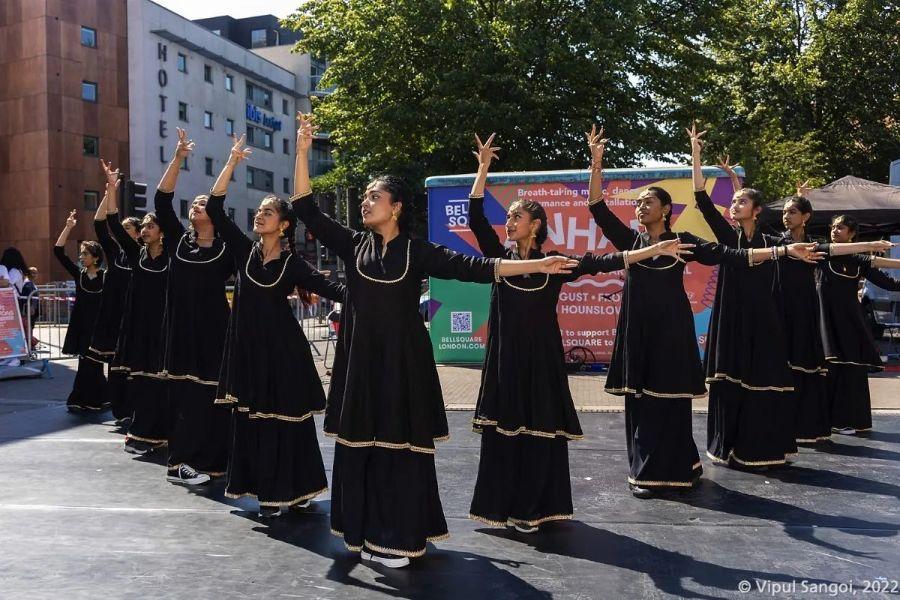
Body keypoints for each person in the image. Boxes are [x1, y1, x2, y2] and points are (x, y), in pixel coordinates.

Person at [292, 114, 579, 568]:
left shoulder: (418, 251)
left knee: (399, 450)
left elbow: (478, 268)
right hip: (360, 366)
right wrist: (303, 151)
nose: (365, 201)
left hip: (403, 367)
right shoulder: (353, 245)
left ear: (397, 207)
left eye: (374, 196)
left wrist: (537, 266)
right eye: (364, 196)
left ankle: (398, 536)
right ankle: (363, 530)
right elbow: (305, 207)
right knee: (361, 448)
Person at [466, 132, 695, 521]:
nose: (509, 222)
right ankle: (500, 506)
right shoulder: (500, 261)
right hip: (505, 362)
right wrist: (483, 169)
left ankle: (537, 509)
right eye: (509, 216)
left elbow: (604, 262)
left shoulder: (555, 263)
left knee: (540, 433)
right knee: (503, 432)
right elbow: (476, 219)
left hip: (542, 363)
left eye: (517, 216)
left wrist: (653, 249)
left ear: (535, 226)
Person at [588, 126, 818, 496]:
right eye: (638, 202)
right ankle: (645, 471)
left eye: (648, 202)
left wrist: (784, 250)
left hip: (673, 333)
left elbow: (732, 255)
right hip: (638, 332)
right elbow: (598, 208)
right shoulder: (631, 243)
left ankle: (680, 468)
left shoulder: (683, 242)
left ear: (666, 210)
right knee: (642, 402)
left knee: (671, 401)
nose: (641, 206)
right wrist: (596, 164)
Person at [207, 134, 345, 516]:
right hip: (248, 353)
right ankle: (267, 489)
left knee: (286, 423)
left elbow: (332, 289)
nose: (259, 215)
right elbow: (216, 208)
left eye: (268, 212)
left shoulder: (293, 264)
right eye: (259, 211)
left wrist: (375, 292)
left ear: (283, 226)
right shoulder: (243, 252)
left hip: (284, 355)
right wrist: (232, 162)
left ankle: (292, 490)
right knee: (254, 423)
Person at [688, 124, 822, 469]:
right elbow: (701, 198)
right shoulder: (727, 237)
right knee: (729, 382)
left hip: (763, 320)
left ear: (757, 210)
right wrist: (696, 154)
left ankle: (760, 446)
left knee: (763, 381)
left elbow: (821, 249)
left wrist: (872, 246)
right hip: (731, 320)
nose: (734, 205)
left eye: (741, 201)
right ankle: (726, 446)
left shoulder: (772, 242)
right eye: (734, 201)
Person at [154, 129, 235, 485]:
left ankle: (214, 460)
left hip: (216, 331)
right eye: (195, 204)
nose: (196, 206)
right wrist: (177, 159)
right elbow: (162, 200)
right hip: (181, 332)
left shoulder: (227, 249)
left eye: (204, 204)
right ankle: (179, 464)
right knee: (184, 397)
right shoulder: (177, 242)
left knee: (213, 397)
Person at [106, 162, 171, 455]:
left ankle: (164, 432)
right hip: (140, 328)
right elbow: (111, 224)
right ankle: (143, 431)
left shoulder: (174, 257)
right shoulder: (137, 255)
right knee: (142, 381)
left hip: (166, 327)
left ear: (162, 231)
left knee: (162, 382)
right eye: (142, 226)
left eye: (150, 226)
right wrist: (111, 190)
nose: (144, 230)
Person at [819, 215, 900, 434]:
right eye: (833, 227)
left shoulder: (858, 261)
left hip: (851, 323)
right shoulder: (822, 253)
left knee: (852, 371)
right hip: (825, 321)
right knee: (830, 370)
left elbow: (889, 283)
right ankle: (828, 421)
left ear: (852, 233)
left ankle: (852, 420)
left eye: (841, 227)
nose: (835, 231)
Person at [91, 164, 142, 426]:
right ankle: (119, 409)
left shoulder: (141, 255)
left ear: (138, 234)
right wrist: (109, 192)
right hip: (113, 314)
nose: (121, 231)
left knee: (132, 365)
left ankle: (134, 408)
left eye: (127, 229)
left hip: (134, 315)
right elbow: (100, 225)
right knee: (113, 363)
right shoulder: (114, 253)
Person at [53, 210, 107, 412]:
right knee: (85, 362)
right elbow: (59, 252)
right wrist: (68, 227)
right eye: (81, 253)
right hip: (81, 326)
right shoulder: (79, 274)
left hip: (99, 326)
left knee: (95, 363)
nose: (81, 257)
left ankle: (97, 398)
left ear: (96, 257)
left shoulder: (106, 277)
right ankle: (83, 399)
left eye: (85, 253)